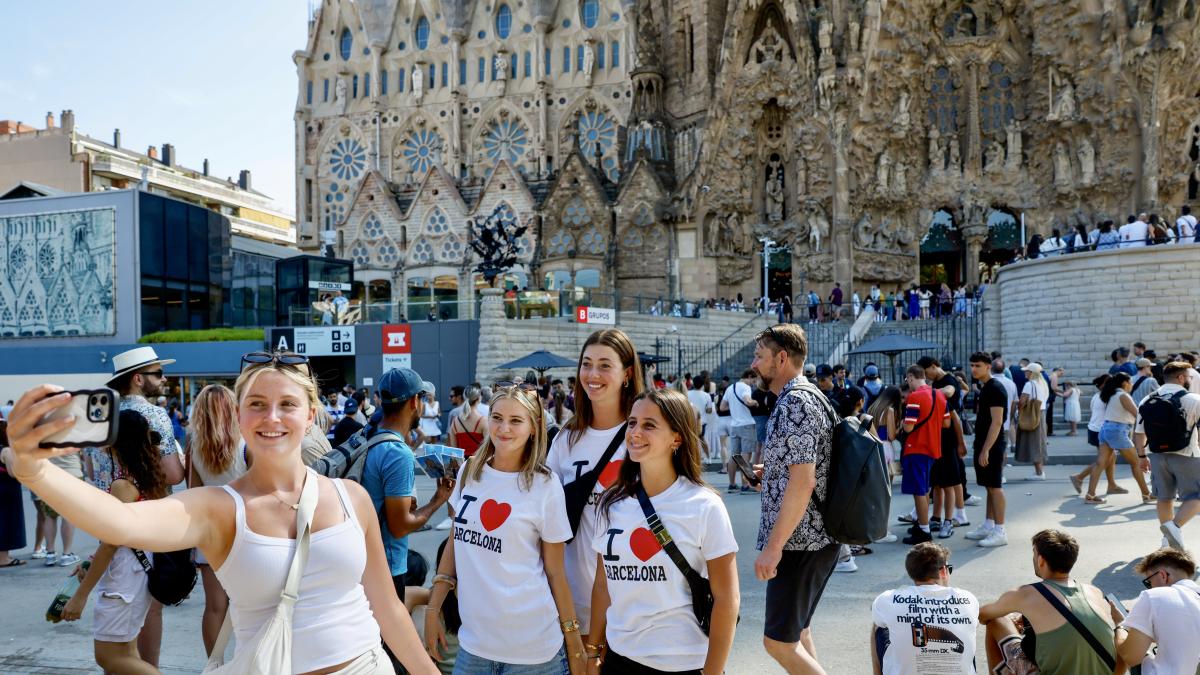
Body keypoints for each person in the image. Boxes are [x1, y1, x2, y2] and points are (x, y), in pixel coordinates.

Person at [2, 354, 441, 674]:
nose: (272, 417)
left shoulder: (352, 498)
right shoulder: (218, 508)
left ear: (311, 415)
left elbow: (388, 611)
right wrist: (33, 470)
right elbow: (119, 521)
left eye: (287, 404)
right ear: (239, 417)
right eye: (256, 404)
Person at [424, 384, 585, 674]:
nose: (503, 428)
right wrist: (433, 607)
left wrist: (574, 642)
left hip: (536, 652)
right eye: (497, 418)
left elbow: (555, 572)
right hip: (474, 647)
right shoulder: (469, 471)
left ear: (534, 427)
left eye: (515, 420)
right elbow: (455, 541)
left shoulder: (545, 486)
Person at [587, 389, 739, 674]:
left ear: (677, 437)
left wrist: (713, 671)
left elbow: (727, 599)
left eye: (649, 425)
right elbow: (602, 585)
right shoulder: (611, 504)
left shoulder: (705, 505)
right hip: (619, 658)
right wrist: (593, 652)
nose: (635, 432)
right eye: (632, 423)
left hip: (683, 662)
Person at [748, 323, 840, 673]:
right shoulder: (810, 395)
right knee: (798, 632)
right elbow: (805, 470)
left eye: (759, 356)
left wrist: (774, 548)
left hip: (801, 541)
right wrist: (770, 474)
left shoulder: (794, 403)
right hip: (816, 536)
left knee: (778, 642)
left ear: (781, 358)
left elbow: (802, 482)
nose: (755, 364)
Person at [548, 328, 644, 642]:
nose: (593, 374)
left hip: (634, 603)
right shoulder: (566, 437)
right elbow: (544, 511)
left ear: (627, 373)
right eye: (587, 364)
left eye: (605, 365)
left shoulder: (643, 435)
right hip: (574, 597)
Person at [92, 346, 186, 667]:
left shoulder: (102, 416)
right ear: (138, 379)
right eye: (157, 374)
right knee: (148, 607)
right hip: (146, 523)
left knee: (115, 613)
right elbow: (174, 473)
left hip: (106, 517)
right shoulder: (153, 415)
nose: (164, 379)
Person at [56, 411, 168, 674]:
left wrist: (79, 597)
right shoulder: (146, 479)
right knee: (125, 653)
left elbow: (110, 544)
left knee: (108, 657)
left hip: (124, 577)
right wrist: (91, 561)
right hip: (135, 572)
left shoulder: (124, 485)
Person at [363, 367, 455, 671]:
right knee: (392, 656)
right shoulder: (397, 453)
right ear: (415, 402)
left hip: (368, 561)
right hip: (389, 566)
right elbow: (401, 523)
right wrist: (436, 503)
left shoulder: (372, 438)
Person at [980, 530, 1118, 675]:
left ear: (1040, 560)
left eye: (1034, 553)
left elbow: (983, 614)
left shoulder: (1026, 594)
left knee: (997, 620)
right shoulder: (1094, 592)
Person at [185, 384, 248, 657]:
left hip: (209, 531)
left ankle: (215, 666)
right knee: (249, 603)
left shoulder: (194, 444)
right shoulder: (247, 441)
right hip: (243, 527)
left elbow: (192, 492)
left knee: (214, 606)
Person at [870, 542, 979, 674]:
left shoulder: (887, 599)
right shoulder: (968, 598)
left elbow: (876, 610)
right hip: (952, 652)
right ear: (943, 571)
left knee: (879, 625)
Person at [1133, 361, 1200, 550]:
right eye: (1188, 377)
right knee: (1196, 495)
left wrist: (1141, 456)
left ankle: (1167, 540)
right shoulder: (1195, 399)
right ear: (1180, 378)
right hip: (1188, 453)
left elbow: (1139, 432)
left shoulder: (1147, 400)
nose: (1189, 380)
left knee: (1164, 497)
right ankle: (1173, 528)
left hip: (1156, 454)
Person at [1116, 548, 1200, 673]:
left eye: (1149, 582)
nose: (1150, 587)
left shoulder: (1153, 596)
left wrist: (1120, 626)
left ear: (1162, 575)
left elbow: (1131, 657)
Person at [918, 356, 968, 540]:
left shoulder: (949, 380)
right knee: (937, 483)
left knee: (948, 483)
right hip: (935, 440)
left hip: (948, 441)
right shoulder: (936, 381)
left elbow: (948, 392)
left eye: (927, 373)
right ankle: (936, 518)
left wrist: (961, 443)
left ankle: (949, 520)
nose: (927, 377)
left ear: (933, 366)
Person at [900, 365, 950, 545]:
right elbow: (946, 423)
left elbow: (909, 427)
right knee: (924, 488)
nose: (908, 384)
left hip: (916, 447)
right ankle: (921, 525)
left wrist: (902, 421)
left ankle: (923, 529)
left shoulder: (915, 396)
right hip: (932, 448)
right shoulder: (939, 394)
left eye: (908, 380)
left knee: (919, 491)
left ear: (911, 377)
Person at [1085, 372, 1152, 504]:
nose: (1132, 384)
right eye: (1131, 382)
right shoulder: (1122, 395)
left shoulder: (1112, 394)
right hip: (1117, 430)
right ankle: (1146, 494)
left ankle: (1090, 495)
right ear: (1125, 383)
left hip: (1106, 429)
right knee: (1136, 463)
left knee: (1100, 464)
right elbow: (1137, 414)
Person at [966, 352, 1010, 547]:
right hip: (984, 443)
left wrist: (986, 449)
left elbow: (997, 422)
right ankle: (988, 525)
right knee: (989, 486)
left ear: (988, 367)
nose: (973, 369)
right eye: (972, 365)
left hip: (992, 444)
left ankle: (1000, 530)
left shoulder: (995, 389)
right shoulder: (985, 388)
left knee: (995, 486)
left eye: (977, 365)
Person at [721, 370, 760, 493]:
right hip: (747, 424)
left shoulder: (730, 388)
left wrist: (734, 408)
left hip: (734, 425)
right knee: (746, 455)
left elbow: (722, 407)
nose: (753, 383)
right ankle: (745, 484)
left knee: (734, 456)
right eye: (753, 380)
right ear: (749, 377)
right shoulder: (745, 388)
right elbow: (747, 400)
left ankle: (732, 484)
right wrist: (755, 403)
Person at [1015, 362, 1049, 480]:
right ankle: (1040, 471)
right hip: (1041, 414)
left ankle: (1039, 473)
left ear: (1031, 373)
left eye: (1027, 371)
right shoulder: (1043, 383)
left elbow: (1022, 400)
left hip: (1031, 415)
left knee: (1033, 443)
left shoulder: (1030, 384)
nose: (1025, 372)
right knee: (1039, 442)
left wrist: (1018, 410)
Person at [0, 421, 26, 568]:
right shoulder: (6, 451)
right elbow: (12, 472)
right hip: (7, 491)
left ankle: (3, 555)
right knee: (7, 523)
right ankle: (3, 558)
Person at [447, 386, 486, 458]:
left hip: (462, 466)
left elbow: (454, 451)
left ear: (464, 397)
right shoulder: (483, 421)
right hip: (478, 465)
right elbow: (487, 449)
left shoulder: (455, 421)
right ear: (479, 399)